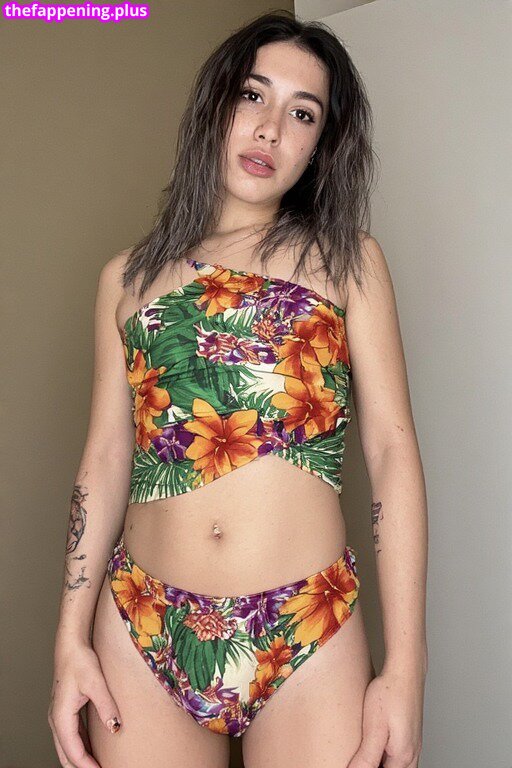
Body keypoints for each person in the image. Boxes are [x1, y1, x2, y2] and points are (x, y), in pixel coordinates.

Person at [48, 10, 428, 768]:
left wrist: (406, 670)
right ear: (216, 104)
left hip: (307, 627)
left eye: (302, 113)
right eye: (253, 95)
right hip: (142, 623)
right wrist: (69, 640)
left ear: (320, 145)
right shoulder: (126, 280)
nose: (270, 129)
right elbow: (105, 459)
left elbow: (392, 454)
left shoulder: (347, 261)